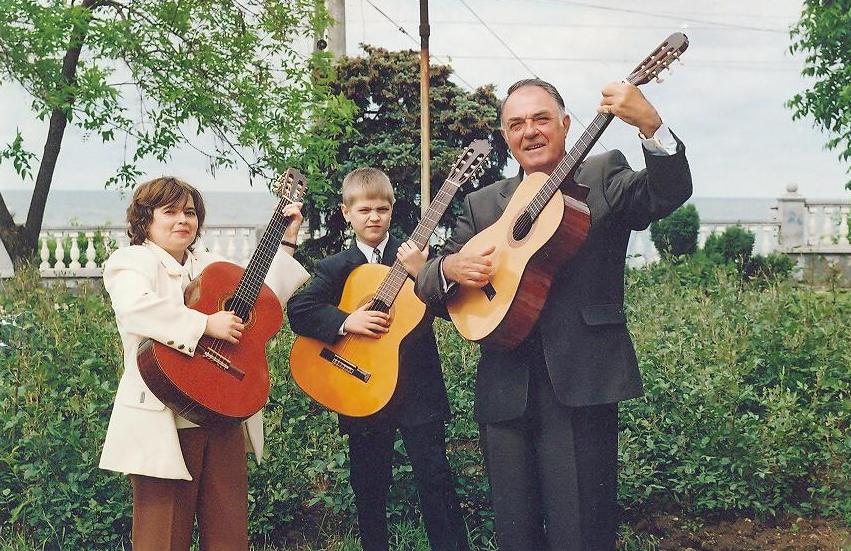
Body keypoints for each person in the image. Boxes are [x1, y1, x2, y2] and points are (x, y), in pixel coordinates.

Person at [414, 79, 693, 550]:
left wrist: (650, 125)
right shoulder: (483, 205)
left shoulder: (602, 174)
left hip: (583, 382)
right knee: (515, 536)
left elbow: (665, 193)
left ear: (565, 124)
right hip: (505, 390)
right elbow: (428, 285)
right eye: (516, 124)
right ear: (506, 137)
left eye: (541, 119)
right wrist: (448, 268)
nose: (530, 131)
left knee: (581, 534)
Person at [99, 176, 309, 550]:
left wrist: (287, 239)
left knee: (229, 534)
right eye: (170, 211)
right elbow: (135, 308)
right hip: (165, 416)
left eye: (190, 212)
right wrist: (205, 324)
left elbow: (262, 301)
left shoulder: (213, 264)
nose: (183, 219)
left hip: (223, 411)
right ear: (145, 219)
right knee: (161, 538)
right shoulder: (131, 261)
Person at [286, 167, 469, 551]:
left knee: (436, 481)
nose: (374, 217)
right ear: (346, 212)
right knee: (369, 489)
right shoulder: (337, 266)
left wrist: (425, 273)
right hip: (362, 386)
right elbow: (299, 310)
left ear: (392, 209)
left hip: (418, 390)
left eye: (382, 209)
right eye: (365, 210)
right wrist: (346, 320)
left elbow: (452, 309)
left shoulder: (417, 255)